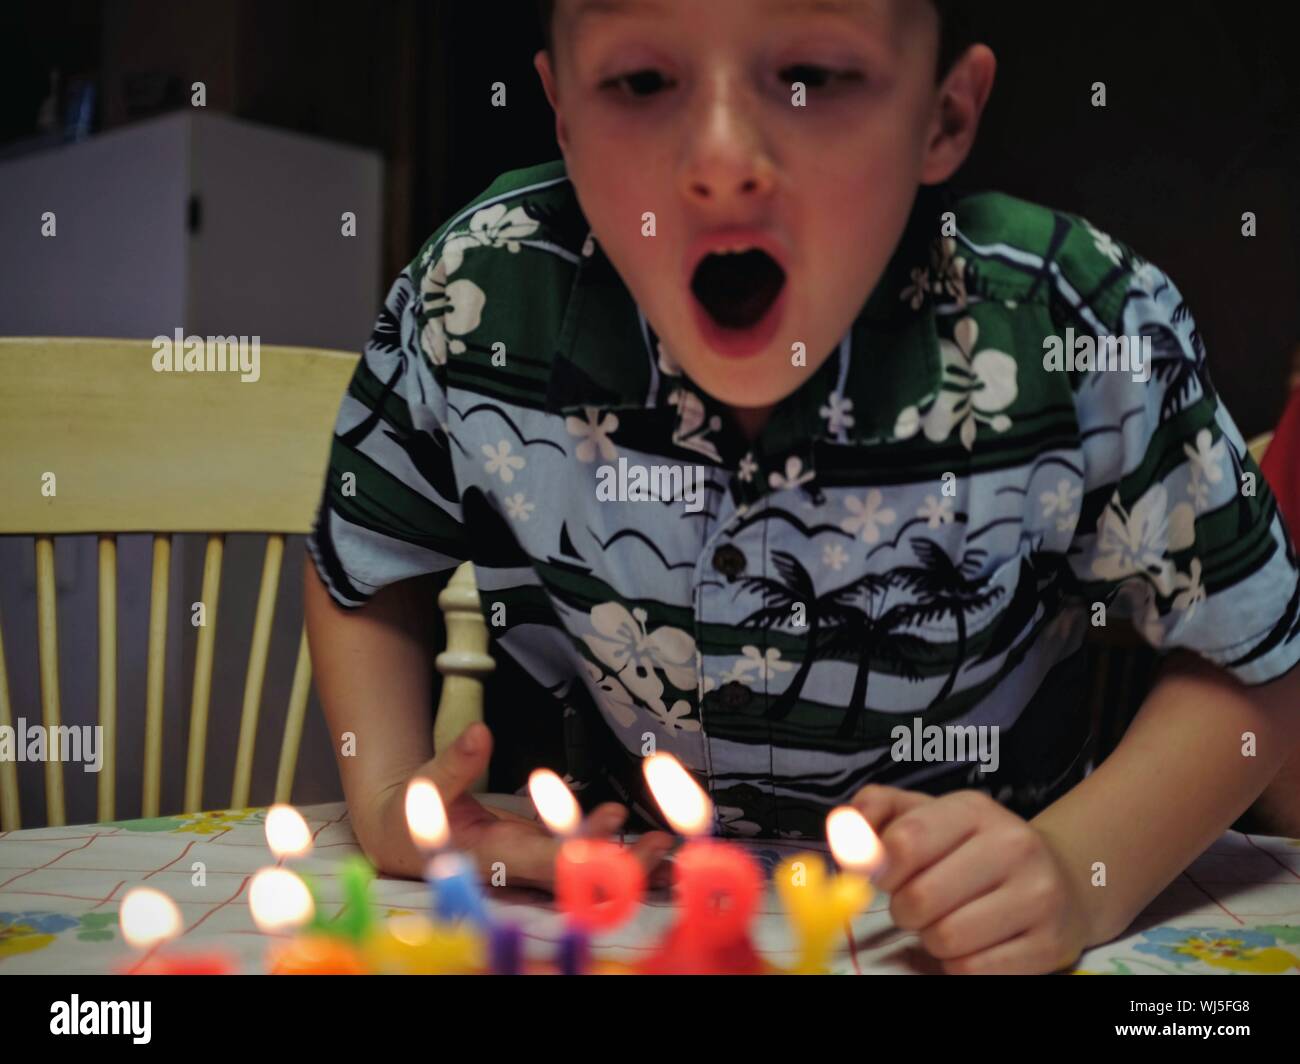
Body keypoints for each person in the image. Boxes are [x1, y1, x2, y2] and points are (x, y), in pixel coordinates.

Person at [304, 0, 1300, 973]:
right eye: (643, 81)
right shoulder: (476, 292)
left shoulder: (1076, 323)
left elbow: (1260, 657)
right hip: (628, 915)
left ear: (943, 115)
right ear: (562, 111)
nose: (723, 163)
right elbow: (363, 551)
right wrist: (393, 789)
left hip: (960, 934)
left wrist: (1075, 870)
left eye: (811, 78)